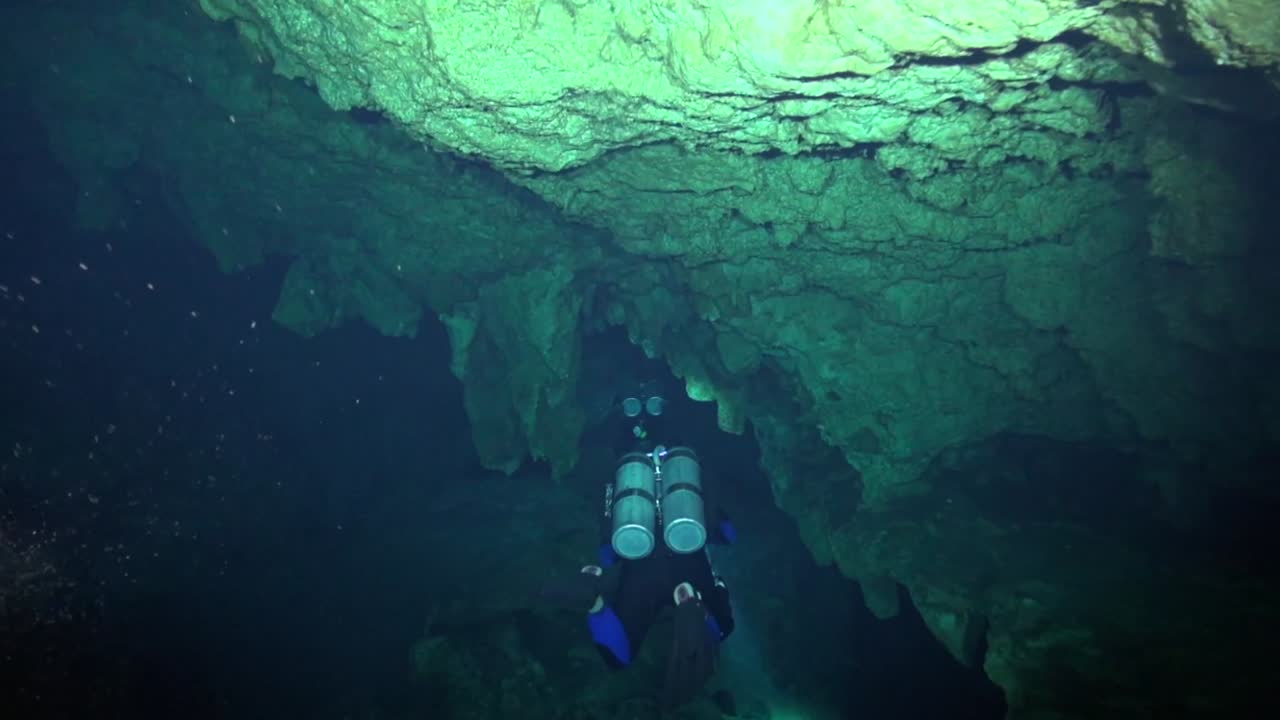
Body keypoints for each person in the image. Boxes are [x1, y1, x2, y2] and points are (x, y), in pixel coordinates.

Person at [547, 380, 738, 708]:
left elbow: (609, 545)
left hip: (641, 566)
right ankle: (695, 612)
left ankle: (594, 606)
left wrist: (598, 569)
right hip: (688, 560)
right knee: (723, 627)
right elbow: (727, 534)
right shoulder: (691, 473)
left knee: (618, 656)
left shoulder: (617, 482)